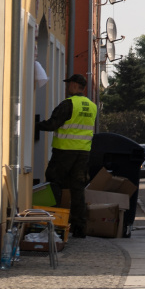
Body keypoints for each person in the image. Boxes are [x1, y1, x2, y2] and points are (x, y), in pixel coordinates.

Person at [36, 74, 98, 238]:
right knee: (77, 189)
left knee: (54, 182)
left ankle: (55, 223)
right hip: (83, 153)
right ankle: (79, 228)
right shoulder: (92, 106)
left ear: (76, 85)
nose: (67, 87)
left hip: (64, 152)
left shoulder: (68, 104)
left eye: (69, 84)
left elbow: (53, 124)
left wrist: (35, 125)